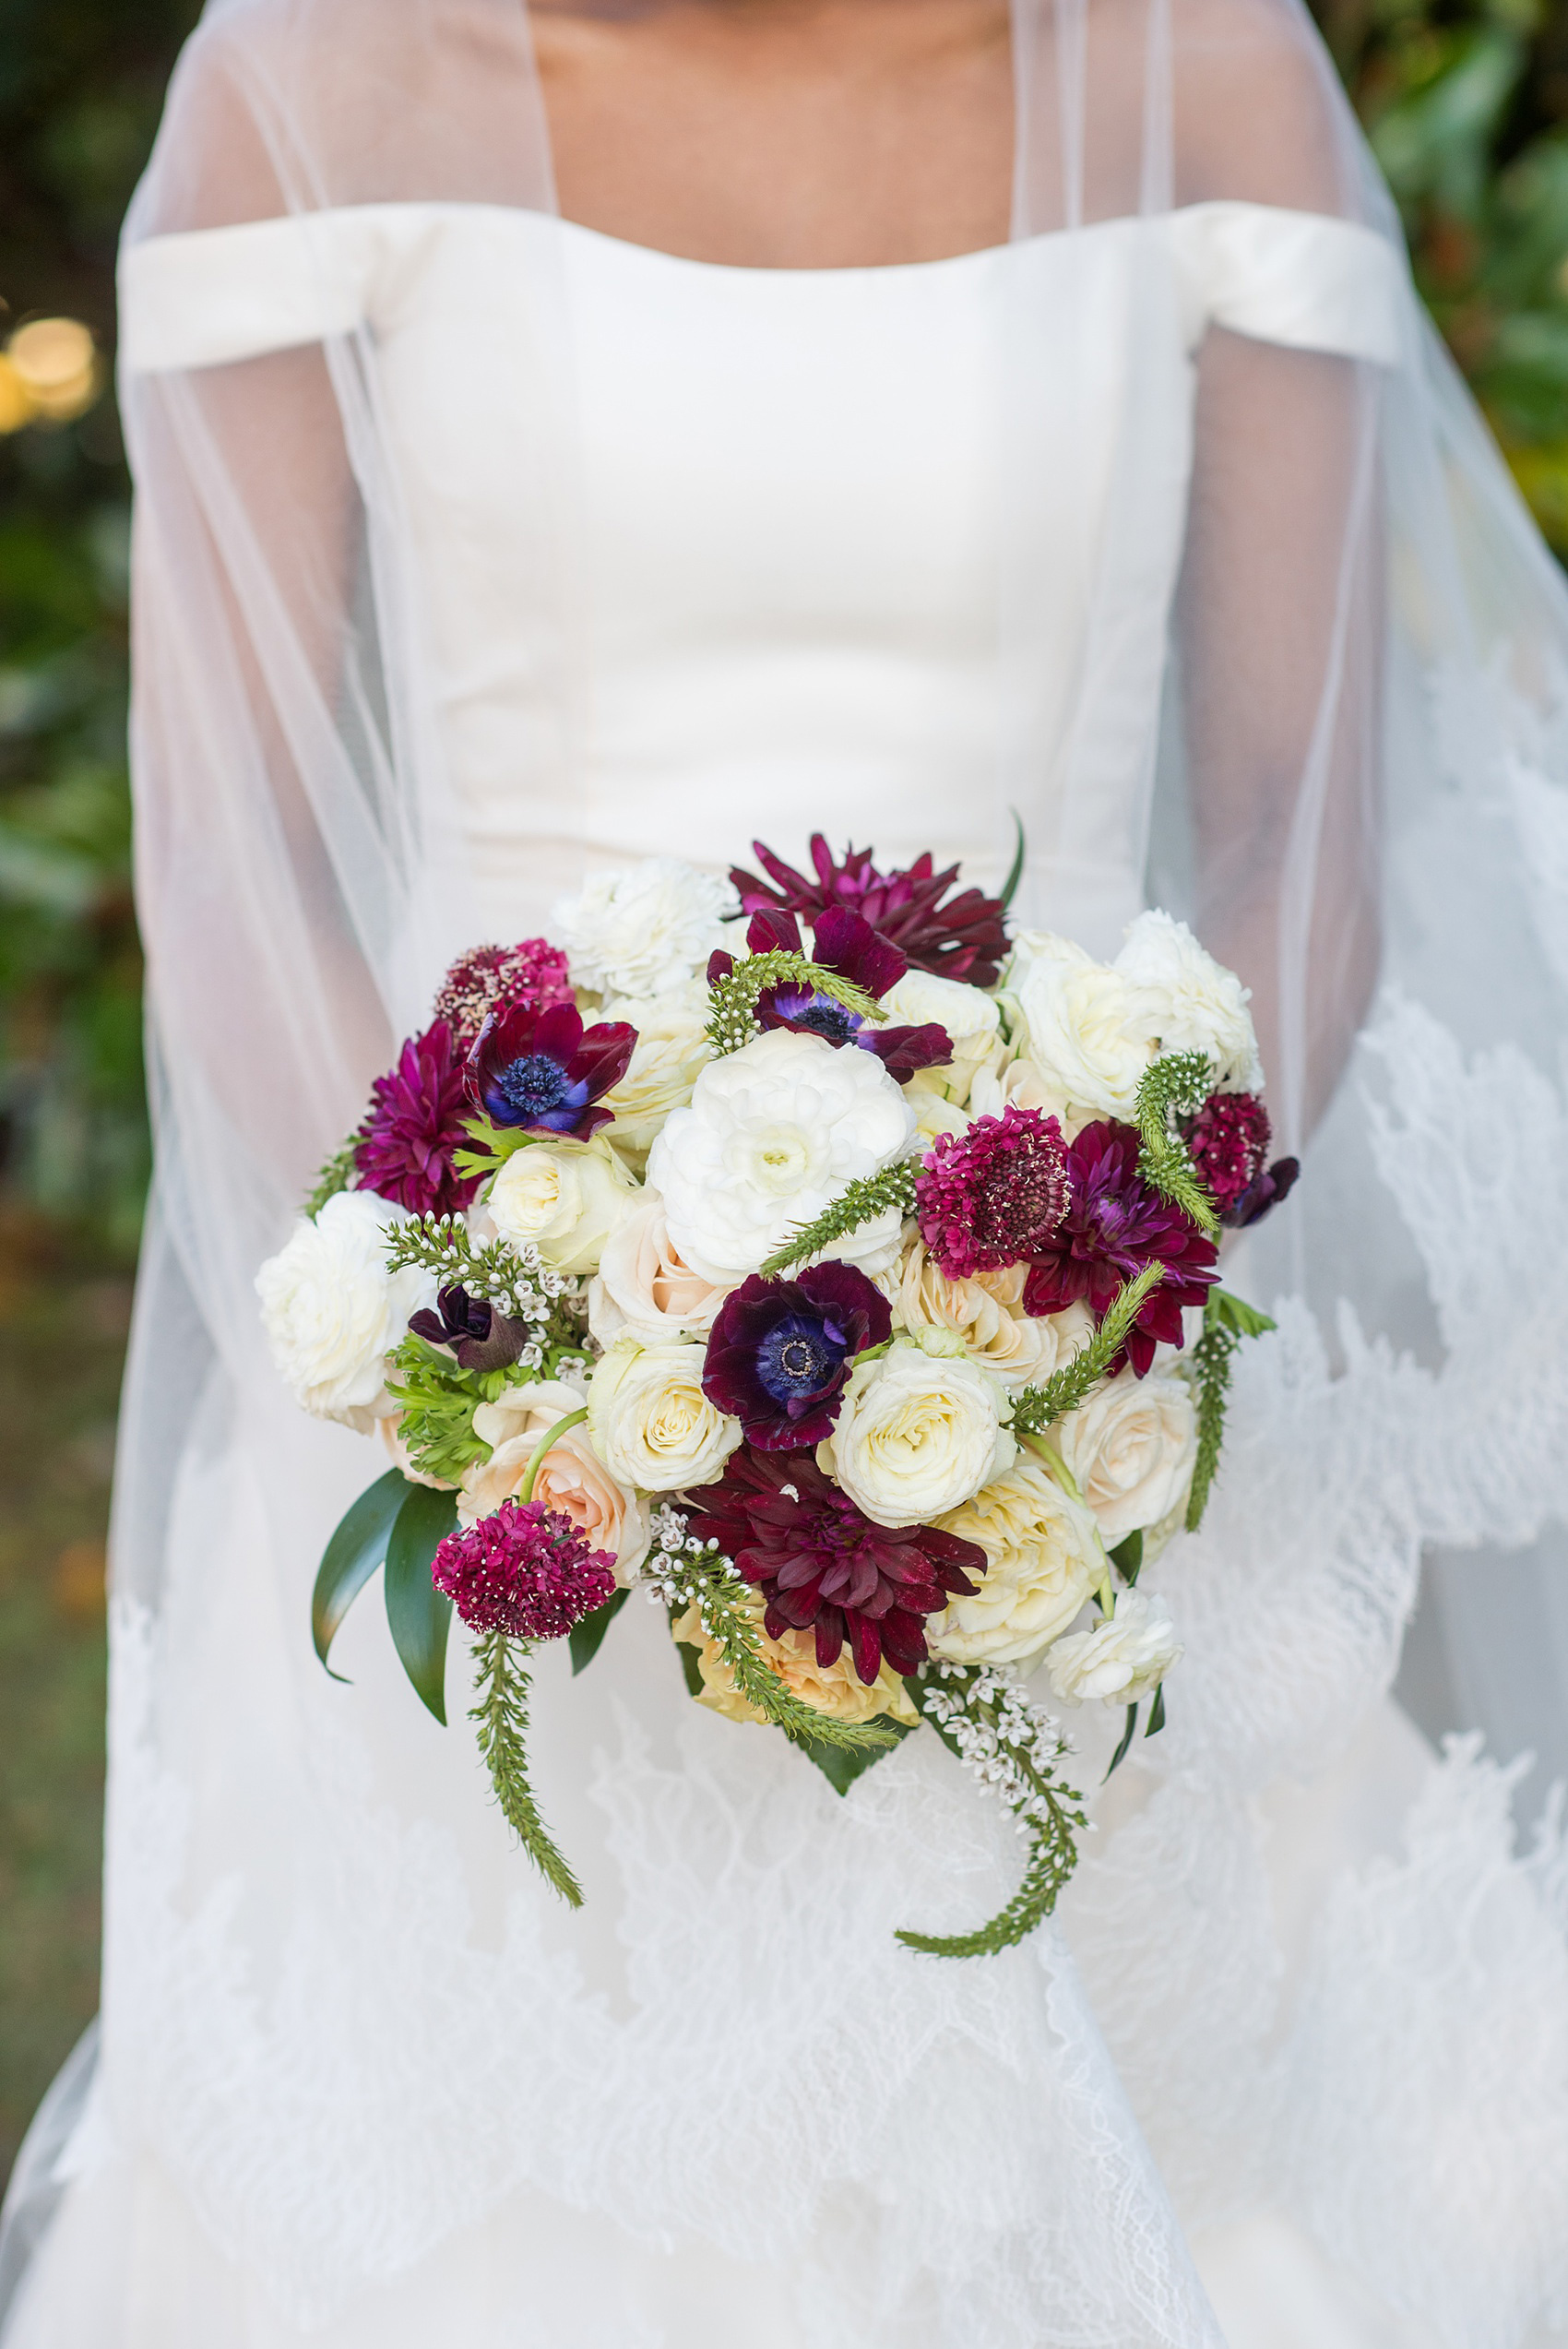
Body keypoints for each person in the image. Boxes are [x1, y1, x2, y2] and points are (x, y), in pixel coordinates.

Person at [2, 1, 1567, 2342]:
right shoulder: (320, 76)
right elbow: (235, 861)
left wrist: (1074, 1296)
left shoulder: (1200, 66)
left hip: (1085, 1403)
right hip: (489, 1415)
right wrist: (513, 1352)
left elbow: (1293, 829)